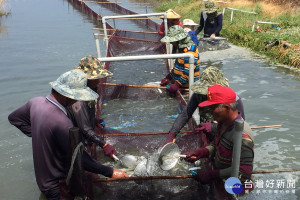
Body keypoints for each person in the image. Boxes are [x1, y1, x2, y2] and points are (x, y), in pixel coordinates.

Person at [8, 69, 128, 200]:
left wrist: (41, 136)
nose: (77, 100)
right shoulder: (62, 122)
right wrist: (110, 172)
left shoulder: (36, 102)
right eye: (76, 96)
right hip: (57, 186)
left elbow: (14, 118)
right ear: (66, 95)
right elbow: (81, 159)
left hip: (42, 181)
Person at [182, 84, 254, 188]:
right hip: (221, 176)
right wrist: (201, 152)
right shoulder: (222, 123)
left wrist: (212, 174)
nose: (210, 112)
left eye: (212, 108)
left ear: (226, 108)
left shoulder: (242, 136)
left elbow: (243, 171)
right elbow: (216, 146)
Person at [164, 66, 245, 144]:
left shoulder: (233, 99)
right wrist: (172, 133)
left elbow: (239, 126)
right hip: (206, 134)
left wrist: (213, 127)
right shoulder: (199, 94)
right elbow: (186, 113)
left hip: (226, 137)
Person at [67, 56, 117, 160]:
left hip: (86, 137)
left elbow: (84, 117)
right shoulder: (78, 98)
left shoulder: (90, 90)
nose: (98, 80)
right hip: (77, 142)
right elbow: (84, 128)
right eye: (95, 78)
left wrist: (94, 120)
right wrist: (104, 144)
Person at [160, 25, 200, 94]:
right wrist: (169, 77)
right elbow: (177, 67)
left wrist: (177, 85)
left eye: (172, 41)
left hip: (187, 89)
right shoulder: (182, 49)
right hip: (179, 85)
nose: (171, 43)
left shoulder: (190, 51)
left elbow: (188, 71)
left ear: (179, 40)